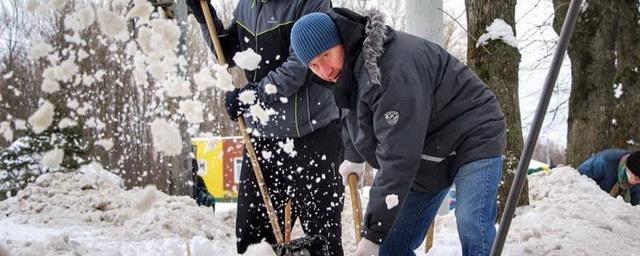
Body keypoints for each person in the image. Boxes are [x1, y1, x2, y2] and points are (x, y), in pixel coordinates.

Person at [290, 8, 507, 256]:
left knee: (471, 223)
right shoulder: (351, 70)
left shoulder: (389, 70)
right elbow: (353, 110)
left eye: (326, 55)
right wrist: (353, 156)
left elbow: (398, 157)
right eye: (314, 65)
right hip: (429, 145)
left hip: (473, 131)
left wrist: (373, 232)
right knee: (392, 245)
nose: (325, 71)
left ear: (342, 39)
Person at [186, 1, 345, 255]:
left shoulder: (311, 3)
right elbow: (226, 53)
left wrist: (254, 95)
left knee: (322, 237)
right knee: (253, 239)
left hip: (314, 135)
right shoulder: (247, 6)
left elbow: (299, 67)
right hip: (263, 139)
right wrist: (205, 19)